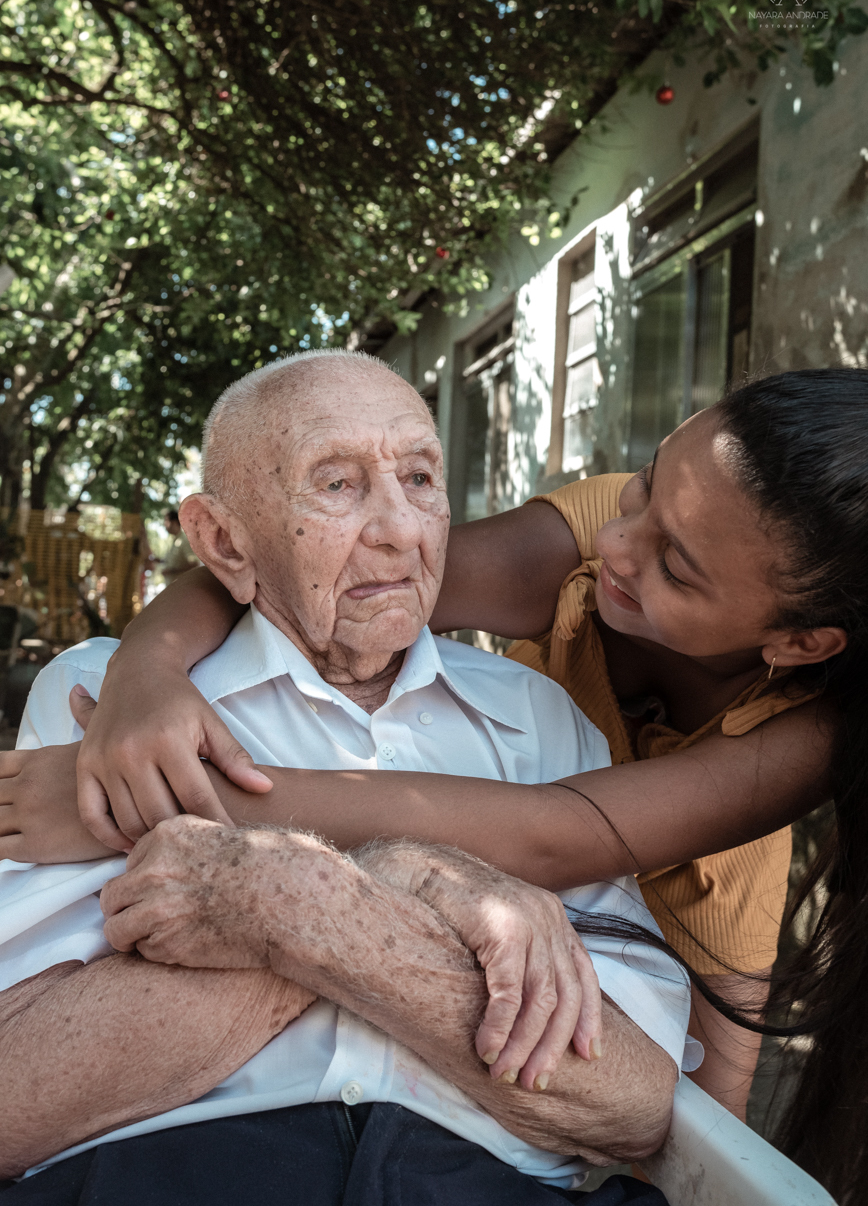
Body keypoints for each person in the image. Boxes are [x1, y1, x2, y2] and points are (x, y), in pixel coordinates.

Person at [0, 351, 693, 1205]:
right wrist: (399, 878)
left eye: (419, 477)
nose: (401, 529)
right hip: (175, 1175)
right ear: (223, 540)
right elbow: (14, 1095)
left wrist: (293, 901)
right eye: (337, 484)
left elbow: (629, 1102)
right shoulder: (107, 703)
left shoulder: (538, 720)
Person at [160, 509, 198, 585]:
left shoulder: (184, 540)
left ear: (174, 522)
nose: (164, 524)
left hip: (183, 589)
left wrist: (171, 571)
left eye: (166, 521)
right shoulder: (175, 541)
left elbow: (194, 564)